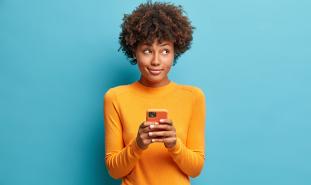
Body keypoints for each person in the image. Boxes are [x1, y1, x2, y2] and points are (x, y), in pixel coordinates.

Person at [104, 2, 206, 185]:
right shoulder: (115, 97)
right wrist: (138, 145)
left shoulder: (193, 97)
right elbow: (114, 171)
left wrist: (174, 144)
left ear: (176, 51)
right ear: (134, 51)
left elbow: (195, 169)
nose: (156, 61)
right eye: (147, 51)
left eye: (165, 51)